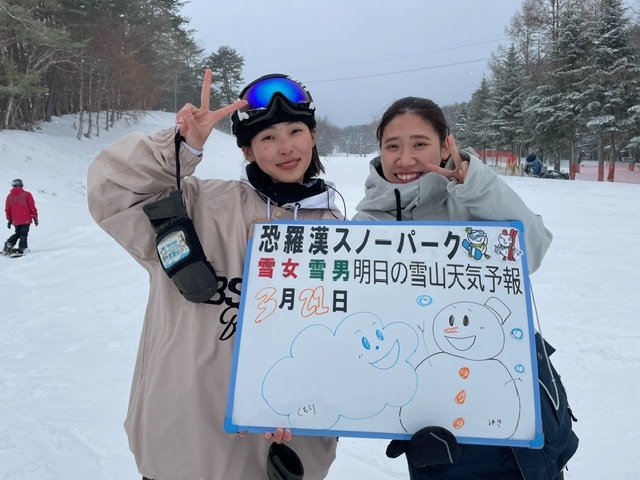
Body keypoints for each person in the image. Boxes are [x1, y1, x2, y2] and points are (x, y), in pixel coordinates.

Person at [87, 70, 342, 480]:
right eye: (267, 138)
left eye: (295, 130)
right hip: (187, 450)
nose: (285, 147)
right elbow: (112, 191)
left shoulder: (341, 233)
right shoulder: (200, 205)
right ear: (247, 151)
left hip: (291, 454)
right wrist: (179, 146)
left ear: (313, 137)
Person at [353, 97, 578, 480]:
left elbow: (533, 250)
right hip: (437, 417)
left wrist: (476, 185)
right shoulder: (364, 227)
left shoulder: (472, 195)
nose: (405, 158)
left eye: (419, 143)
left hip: (516, 390)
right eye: (393, 146)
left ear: (445, 146)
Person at [4, 178, 38, 255]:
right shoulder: (27, 194)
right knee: (23, 233)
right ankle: (22, 247)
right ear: (21, 185)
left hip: (15, 219)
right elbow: (32, 207)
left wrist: (9, 220)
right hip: (25, 218)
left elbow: (7, 209)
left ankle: (9, 244)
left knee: (18, 233)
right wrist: (35, 217)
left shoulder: (9, 196)